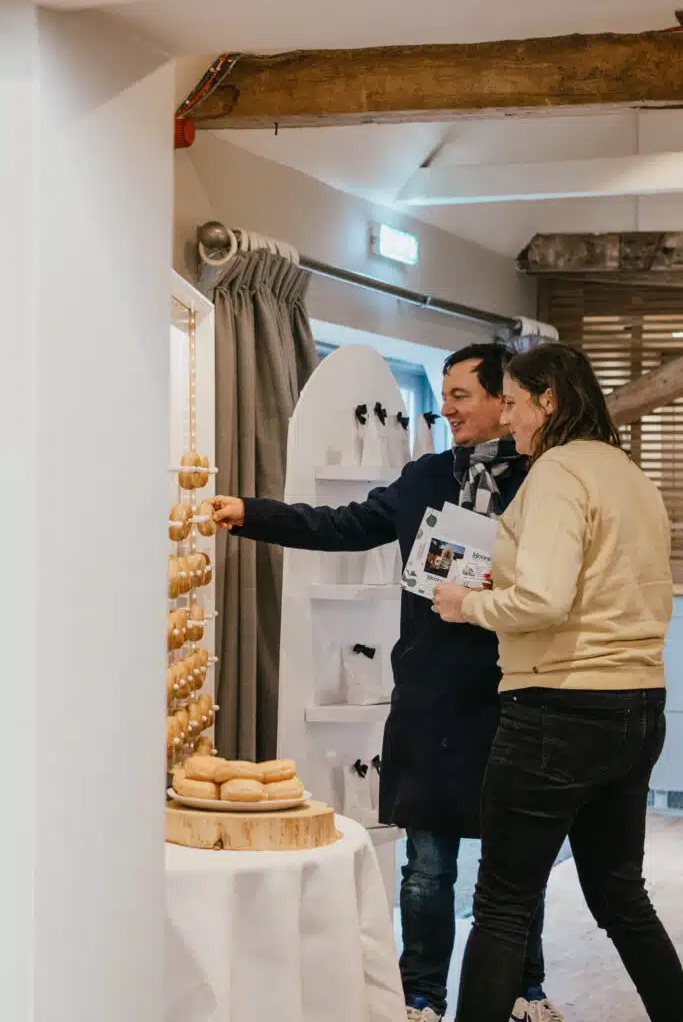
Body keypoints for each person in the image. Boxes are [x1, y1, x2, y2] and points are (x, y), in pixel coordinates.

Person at [210, 343, 562, 1022]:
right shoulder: (425, 476)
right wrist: (252, 513)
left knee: (515, 865)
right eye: (443, 392)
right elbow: (344, 526)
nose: (446, 407)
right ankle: (421, 997)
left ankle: (524, 990)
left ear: (505, 400)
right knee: (426, 867)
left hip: (515, 693)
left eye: (461, 394)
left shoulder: (548, 481)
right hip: (429, 697)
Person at [432, 343, 683, 1022]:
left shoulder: (556, 471)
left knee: (502, 904)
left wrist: (467, 604)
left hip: (556, 711)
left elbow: (542, 601)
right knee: (620, 896)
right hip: (636, 709)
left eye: (511, 402)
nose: (507, 418)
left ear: (547, 399)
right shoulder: (627, 474)